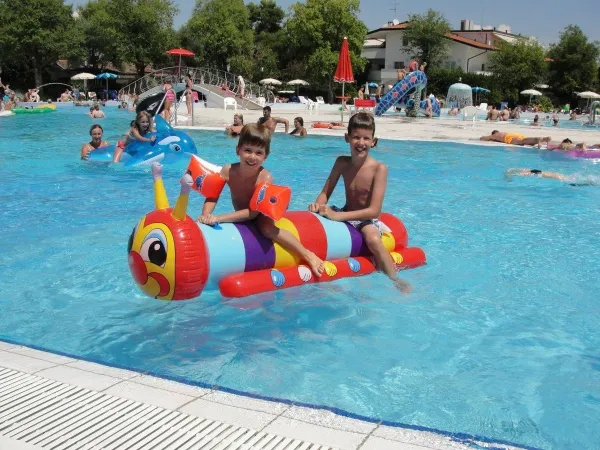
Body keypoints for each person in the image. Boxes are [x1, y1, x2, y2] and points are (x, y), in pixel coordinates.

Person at [198, 123, 324, 276]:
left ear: (266, 156)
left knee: (267, 229)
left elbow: (252, 213)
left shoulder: (264, 177)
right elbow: (212, 195)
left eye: (259, 153)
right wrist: (205, 215)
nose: (252, 157)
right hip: (243, 213)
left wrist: (218, 218)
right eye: (247, 150)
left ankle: (307, 254)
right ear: (238, 150)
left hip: (260, 213)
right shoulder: (228, 171)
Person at [307, 112, 411, 293]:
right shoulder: (341, 162)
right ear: (347, 138)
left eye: (366, 138)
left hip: (366, 219)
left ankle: (395, 279)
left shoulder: (379, 169)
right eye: (356, 137)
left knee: (372, 238)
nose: (360, 143)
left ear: (374, 141)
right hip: (345, 211)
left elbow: (374, 211)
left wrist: (338, 216)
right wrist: (318, 205)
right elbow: (325, 193)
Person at [505, 168, 599, 186]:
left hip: (566, 180)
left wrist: (510, 176)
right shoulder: (544, 173)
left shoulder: (537, 173)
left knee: (587, 182)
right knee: (587, 181)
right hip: (565, 178)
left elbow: (520, 173)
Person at [480, 130, 551, 146]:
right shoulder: (503, 133)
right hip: (515, 135)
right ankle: (544, 139)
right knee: (524, 141)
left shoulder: (495, 135)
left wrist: (481, 138)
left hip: (509, 138)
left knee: (521, 141)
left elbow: (484, 138)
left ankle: (538, 139)